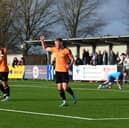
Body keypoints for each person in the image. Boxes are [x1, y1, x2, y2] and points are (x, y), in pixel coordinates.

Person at [40, 36, 77, 107]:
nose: (56, 45)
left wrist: (69, 65)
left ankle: (73, 95)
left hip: (64, 71)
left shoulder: (67, 50)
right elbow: (45, 48)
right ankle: (64, 101)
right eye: (55, 43)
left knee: (65, 87)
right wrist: (42, 41)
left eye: (57, 43)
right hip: (57, 71)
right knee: (59, 87)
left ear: (61, 43)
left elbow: (72, 59)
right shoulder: (55, 49)